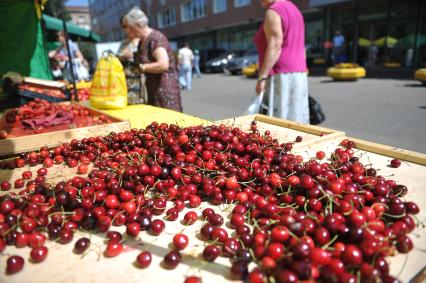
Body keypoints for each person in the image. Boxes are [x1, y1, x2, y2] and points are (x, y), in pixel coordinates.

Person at [254, 0, 309, 124]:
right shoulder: (295, 10)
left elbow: (275, 45)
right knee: (297, 121)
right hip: (299, 73)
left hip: (280, 74)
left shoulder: (273, 11)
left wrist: (262, 77)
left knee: (279, 123)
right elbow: (301, 47)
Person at [122, 7, 182, 112]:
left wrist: (141, 67)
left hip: (165, 92)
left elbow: (163, 64)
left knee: (170, 124)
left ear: (138, 25)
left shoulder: (156, 38)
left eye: (130, 28)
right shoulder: (141, 41)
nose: (129, 31)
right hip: (152, 91)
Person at [118, 17, 145, 104]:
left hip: (139, 83)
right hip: (125, 83)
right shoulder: (124, 43)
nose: (127, 29)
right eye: (124, 26)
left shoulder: (142, 40)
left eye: (129, 26)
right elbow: (119, 57)